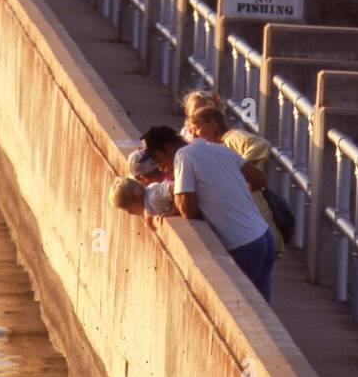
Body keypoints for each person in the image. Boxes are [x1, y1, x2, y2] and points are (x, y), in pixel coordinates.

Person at [143, 125, 276, 303]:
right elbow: (260, 179)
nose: (162, 168)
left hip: (242, 245)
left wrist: (204, 208)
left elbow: (186, 209)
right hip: (264, 237)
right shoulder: (218, 148)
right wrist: (232, 194)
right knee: (261, 307)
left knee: (239, 305)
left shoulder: (183, 156)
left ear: (168, 148)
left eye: (160, 160)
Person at [185, 103, 284, 257]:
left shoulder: (230, 138)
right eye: (192, 130)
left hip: (255, 219)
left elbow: (261, 144)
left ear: (213, 125)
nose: (195, 134)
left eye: (198, 127)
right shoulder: (213, 148)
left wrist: (239, 169)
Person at [109, 175, 175, 221]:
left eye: (126, 207)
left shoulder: (154, 197)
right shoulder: (149, 202)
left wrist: (174, 210)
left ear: (134, 198)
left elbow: (175, 187)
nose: (129, 212)